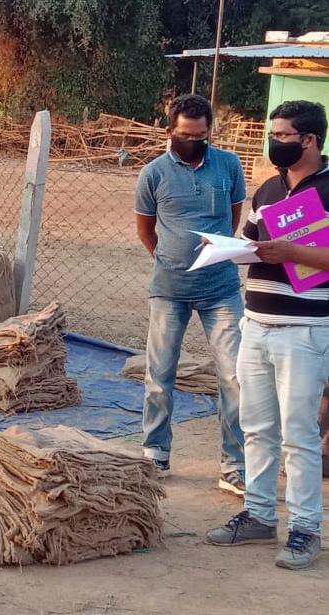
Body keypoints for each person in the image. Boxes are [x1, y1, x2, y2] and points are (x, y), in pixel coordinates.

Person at [206, 100, 329, 570]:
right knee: (256, 427)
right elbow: (252, 241)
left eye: (282, 135)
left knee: (298, 434)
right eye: (272, 134)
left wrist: (291, 251)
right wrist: (232, 249)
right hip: (255, 323)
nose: (274, 142)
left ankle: (305, 528)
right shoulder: (270, 188)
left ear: (310, 140)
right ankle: (259, 514)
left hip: (305, 330)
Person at [134, 94, 247, 492]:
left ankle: (234, 465)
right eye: (185, 135)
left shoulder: (229, 165)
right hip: (169, 290)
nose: (193, 142)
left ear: (208, 132)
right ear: (170, 131)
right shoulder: (153, 173)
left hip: (222, 289)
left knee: (235, 376)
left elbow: (232, 218)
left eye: (201, 136)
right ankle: (155, 452)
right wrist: (169, 259)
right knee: (159, 374)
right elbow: (145, 228)